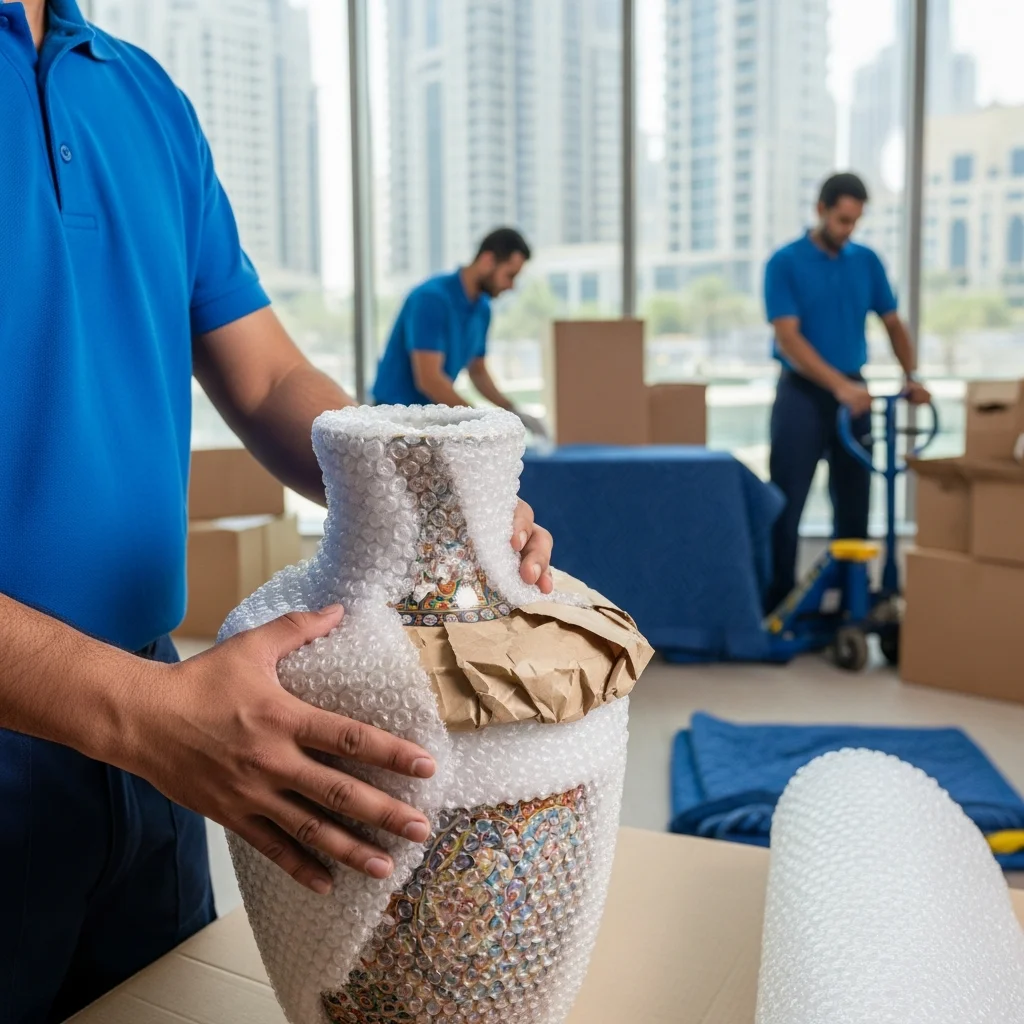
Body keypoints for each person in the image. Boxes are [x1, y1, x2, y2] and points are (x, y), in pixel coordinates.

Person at [0, 3, 554, 1020]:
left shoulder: (140, 93)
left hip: (164, 730)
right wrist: (140, 712)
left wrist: (438, 497)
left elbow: (261, 377)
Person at [763, 172, 931, 612]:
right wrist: (839, 386)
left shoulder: (867, 261)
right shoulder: (785, 262)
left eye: (855, 221)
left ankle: (851, 604)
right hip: (802, 394)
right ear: (821, 210)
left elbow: (892, 323)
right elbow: (789, 339)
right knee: (787, 502)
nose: (848, 230)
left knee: (855, 501)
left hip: (854, 393)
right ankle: (778, 602)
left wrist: (911, 375)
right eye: (841, 220)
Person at [372, 228, 548, 437]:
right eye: (509, 275)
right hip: (392, 424)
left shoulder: (482, 308)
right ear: (487, 260)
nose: (511, 286)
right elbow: (429, 380)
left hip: (431, 424)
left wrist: (512, 410)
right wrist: (476, 421)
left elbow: (478, 371)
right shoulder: (431, 299)